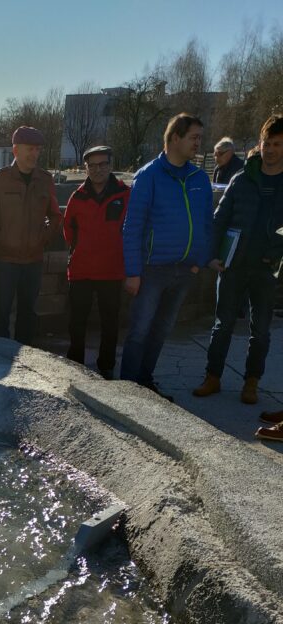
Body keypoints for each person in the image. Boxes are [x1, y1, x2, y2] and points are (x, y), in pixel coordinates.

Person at [119, 113, 213, 398]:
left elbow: (207, 223)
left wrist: (199, 262)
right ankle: (127, 392)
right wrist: (132, 272)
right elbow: (132, 226)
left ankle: (145, 383)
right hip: (152, 270)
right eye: (193, 137)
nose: (198, 143)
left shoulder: (199, 178)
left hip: (184, 270)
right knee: (140, 331)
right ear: (175, 138)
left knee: (162, 330)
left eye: (200, 138)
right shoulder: (148, 176)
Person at [192, 114, 283, 405]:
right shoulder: (241, 179)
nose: (271, 150)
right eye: (267, 143)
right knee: (223, 325)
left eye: (277, 144)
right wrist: (212, 256)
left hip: (267, 269)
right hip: (233, 265)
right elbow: (219, 220)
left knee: (261, 331)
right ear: (260, 143)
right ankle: (212, 377)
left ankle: (251, 382)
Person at [0, 125, 62, 344]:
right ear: (16, 150)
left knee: (28, 313)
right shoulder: (1, 179)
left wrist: (43, 239)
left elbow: (55, 216)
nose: (35, 154)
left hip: (34, 261)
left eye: (38, 149)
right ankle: (0, 356)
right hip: (6, 261)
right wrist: (1, 240)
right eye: (30, 149)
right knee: (1, 313)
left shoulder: (45, 180)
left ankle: (25, 355)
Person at [63, 145, 130, 379]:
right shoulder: (77, 196)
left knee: (110, 322)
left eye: (102, 164)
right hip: (81, 270)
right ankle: (75, 365)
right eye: (92, 166)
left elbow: (133, 229)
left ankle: (106, 365)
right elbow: (68, 229)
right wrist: (80, 249)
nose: (98, 169)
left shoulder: (125, 194)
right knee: (76, 322)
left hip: (111, 270)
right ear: (86, 168)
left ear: (111, 165)